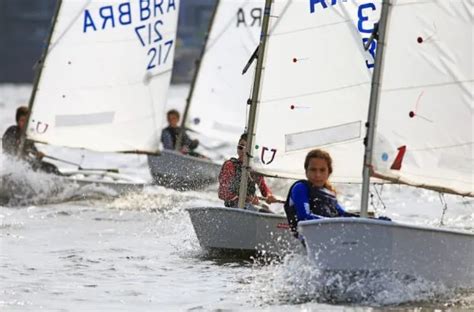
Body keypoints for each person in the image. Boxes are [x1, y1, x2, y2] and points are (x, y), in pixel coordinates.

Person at [284, 149, 390, 237]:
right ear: (306, 172)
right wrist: (335, 223)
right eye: (313, 170)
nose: (317, 175)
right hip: (310, 239)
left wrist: (373, 221)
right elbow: (304, 217)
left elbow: (343, 215)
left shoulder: (329, 194)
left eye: (322, 170)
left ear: (329, 172)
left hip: (330, 237)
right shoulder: (300, 188)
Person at [218, 133, 277, 209]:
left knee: (266, 208)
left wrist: (269, 196)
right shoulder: (230, 165)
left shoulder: (255, 169)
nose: (243, 151)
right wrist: (245, 198)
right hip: (233, 208)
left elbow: (264, 191)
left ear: (253, 150)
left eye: (247, 148)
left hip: (249, 207)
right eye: (240, 147)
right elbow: (222, 194)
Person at [2, 106, 59, 174]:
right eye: (22, 120)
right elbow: (7, 149)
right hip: (15, 166)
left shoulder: (28, 135)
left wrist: (39, 156)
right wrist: (18, 145)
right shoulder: (12, 130)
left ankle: (62, 179)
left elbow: (34, 153)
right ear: (18, 121)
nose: (25, 123)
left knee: (52, 167)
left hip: (26, 164)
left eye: (27, 121)